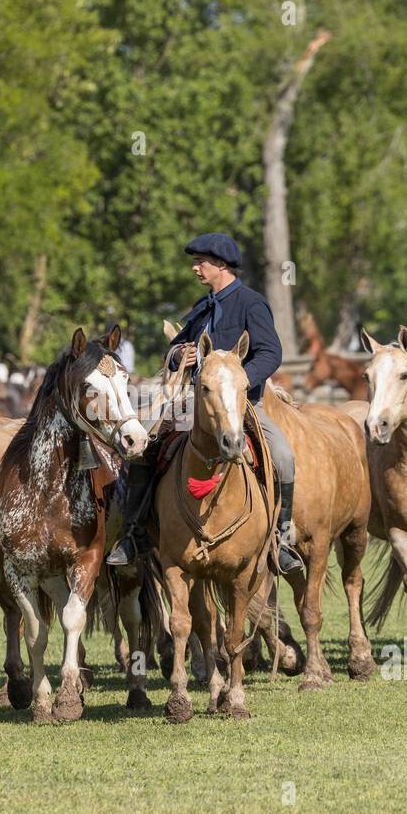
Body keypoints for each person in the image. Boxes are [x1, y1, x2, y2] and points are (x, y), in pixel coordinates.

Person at [106, 232, 305, 574]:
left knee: (283, 458)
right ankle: (134, 536)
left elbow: (270, 352)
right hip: (193, 407)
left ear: (221, 265)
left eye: (201, 262)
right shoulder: (201, 308)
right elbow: (174, 351)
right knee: (145, 451)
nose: (195, 269)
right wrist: (176, 355)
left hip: (241, 406)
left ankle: (280, 540)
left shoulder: (251, 303)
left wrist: (237, 381)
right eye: (195, 262)